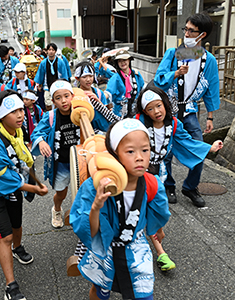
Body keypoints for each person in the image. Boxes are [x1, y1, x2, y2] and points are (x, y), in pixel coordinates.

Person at [70, 118, 171, 300]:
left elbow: (156, 216)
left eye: (145, 150)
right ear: (115, 154)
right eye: (131, 151)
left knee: (143, 292)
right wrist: (96, 206)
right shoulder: (96, 187)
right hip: (106, 247)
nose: (140, 157)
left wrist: (158, 231)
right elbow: (90, 230)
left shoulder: (151, 183)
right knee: (100, 291)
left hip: (136, 246)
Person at [135, 86, 223, 271]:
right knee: (144, 210)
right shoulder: (138, 122)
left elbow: (188, 142)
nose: (156, 112)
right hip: (139, 175)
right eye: (150, 109)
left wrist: (209, 148)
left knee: (161, 212)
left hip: (159, 175)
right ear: (144, 111)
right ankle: (160, 253)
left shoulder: (174, 124)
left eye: (158, 106)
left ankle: (155, 233)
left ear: (165, 103)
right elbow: (117, 129)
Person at [0, 90, 48, 300]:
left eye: (21, 110)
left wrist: (34, 179)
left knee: (17, 225)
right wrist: (35, 189)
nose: (20, 115)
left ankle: (18, 248)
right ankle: (11, 287)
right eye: (13, 111)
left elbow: (22, 163)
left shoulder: (16, 131)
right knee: (5, 235)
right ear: (0, 116)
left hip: (14, 188)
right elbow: (5, 180)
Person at [154, 13, 220, 207]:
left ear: (202, 35)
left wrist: (210, 117)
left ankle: (190, 186)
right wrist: (175, 73)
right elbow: (159, 78)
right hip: (169, 109)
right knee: (165, 150)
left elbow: (211, 89)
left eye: (192, 30)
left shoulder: (208, 60)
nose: (187, 33)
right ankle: (168, 185)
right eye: (186, 29)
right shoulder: (174, 53)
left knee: (199, 148)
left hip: (190, 109)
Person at [31, 79, 110, 228]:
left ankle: (85, 216)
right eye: (58, 98)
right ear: (53, 101)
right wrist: (41, 141)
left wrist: (96, 105)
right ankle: (57, 209)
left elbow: (104, 125)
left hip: (82, 162)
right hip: (61, 162)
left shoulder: (83, 112)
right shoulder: (51, 117)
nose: (63, 101)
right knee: (61, 193)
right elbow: (37, 133)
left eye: (67, 96)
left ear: (73, 96)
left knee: (85, 190)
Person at [105, 49, 145, 119]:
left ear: (129, 60)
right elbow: (108, 93)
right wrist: (100, 96)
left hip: (135, 112)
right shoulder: (115, 78)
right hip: (120, 114)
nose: (122, 63)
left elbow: (143, 89)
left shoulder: (136, 74)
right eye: (119, 61)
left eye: (124, 60)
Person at [34, 43, 69, 111]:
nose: (51, 51)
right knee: (48, 103)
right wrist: (39, 85)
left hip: (58, 85)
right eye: (49, 50)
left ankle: (56, 115)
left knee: (58, 102)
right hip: (47, 85)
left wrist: (65, 84)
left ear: (55, 51)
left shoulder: (60, 62)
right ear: (47, 51)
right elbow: (41, 74)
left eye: (53, 50)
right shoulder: (43, 62)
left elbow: (64, 73)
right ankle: (50, 114)